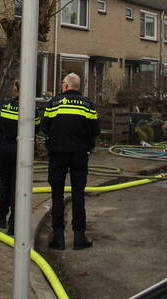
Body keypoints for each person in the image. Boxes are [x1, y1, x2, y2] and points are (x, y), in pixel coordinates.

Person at [41, 72, 100, 251]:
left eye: (62, 84)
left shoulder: (54, 103)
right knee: (78, 194)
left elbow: (44, 128)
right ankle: (79, 237)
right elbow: (95, 130)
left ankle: (58, 237)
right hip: (79, 155)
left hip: (57, 153)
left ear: (66, 86)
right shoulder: (88, 104)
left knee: (57, 194)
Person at [0, 79, 27, 233]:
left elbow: (0, 124)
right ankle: (13, 223)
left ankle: (1, 217)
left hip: (3, 148)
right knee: (17, 186)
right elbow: (36, 126)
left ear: (16, 89)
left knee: (4, 183)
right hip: (20, 149)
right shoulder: (28, 107)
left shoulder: (6, 104)